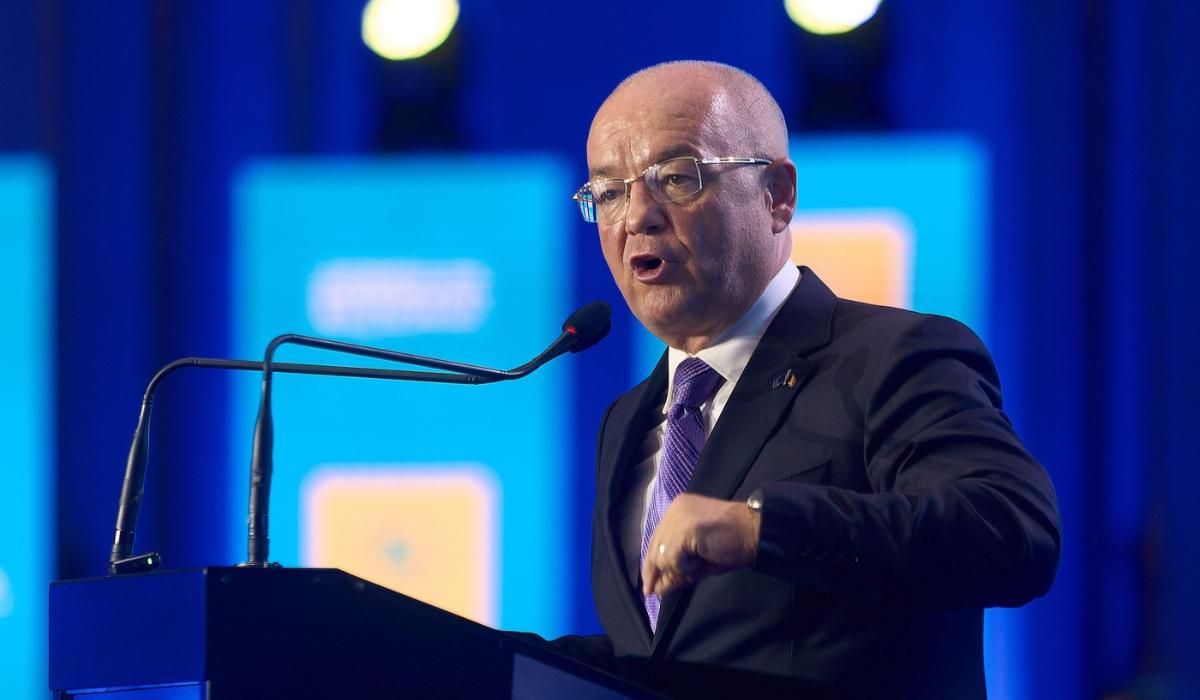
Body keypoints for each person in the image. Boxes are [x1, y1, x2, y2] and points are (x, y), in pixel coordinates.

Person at [552, 60, 1060, 698]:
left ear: (777, 195)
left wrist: (761, 528)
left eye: (676, 178)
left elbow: (1011, 532)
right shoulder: (628, 420)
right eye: (609, 193)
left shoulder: (893, 356)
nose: (637, 218)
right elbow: (665, 651)